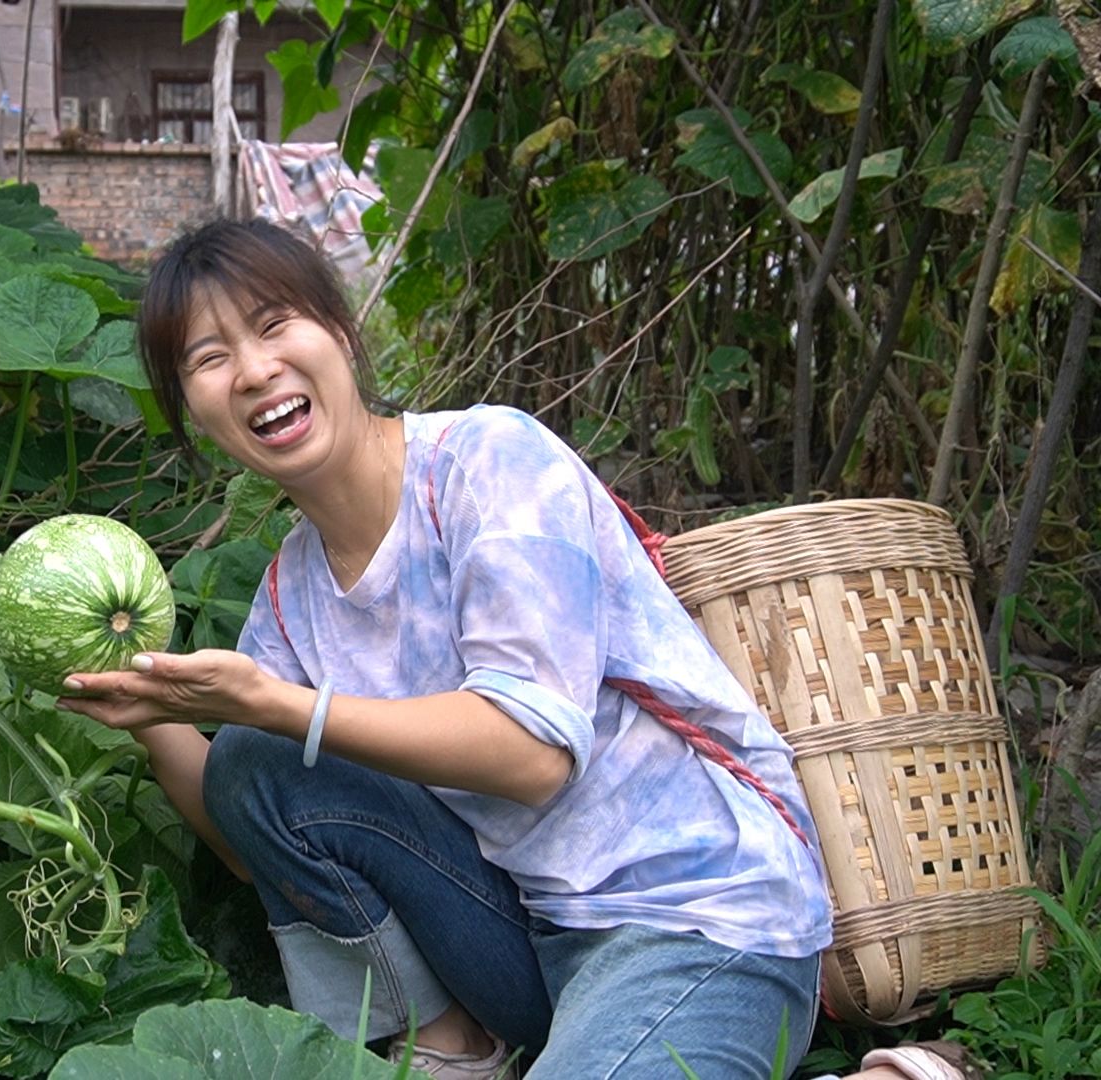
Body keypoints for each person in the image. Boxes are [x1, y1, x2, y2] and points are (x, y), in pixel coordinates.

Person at [55, 218, 942, 1079]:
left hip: (702, 918)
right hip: (528, 941)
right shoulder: (292, 597)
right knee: (254, 759)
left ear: (341, 331)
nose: (254, 370)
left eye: (274, 323)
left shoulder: (489, 462)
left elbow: (534, 756)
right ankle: (451, 1049)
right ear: (193, 414)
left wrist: (275, 704)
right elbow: (261, 832)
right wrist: (148, 716)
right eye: (208, 360)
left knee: (270, 729)